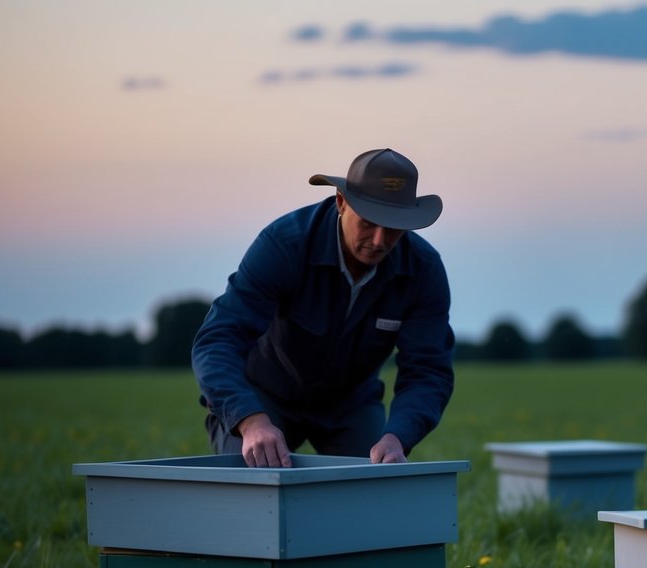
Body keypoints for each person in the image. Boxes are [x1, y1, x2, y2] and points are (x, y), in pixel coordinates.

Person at [192, 148, 454, 468]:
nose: (379, 240)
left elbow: (428, 370)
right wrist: (249, 420)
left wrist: (397, 436)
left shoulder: (423, 270)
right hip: (263, 396)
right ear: (341, 202)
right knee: (249, 485)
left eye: (394, 226)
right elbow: (218, 339)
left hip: (351, 405)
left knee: (374, 486)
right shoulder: (283, 245)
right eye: (369, 223)